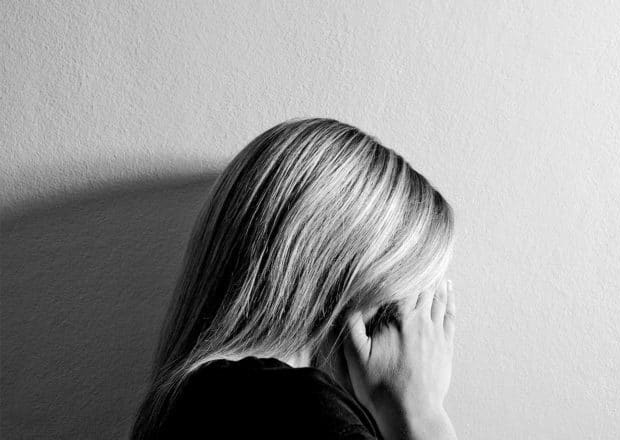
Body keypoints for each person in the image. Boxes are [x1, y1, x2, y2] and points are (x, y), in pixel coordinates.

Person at [130, 117, 458, 440]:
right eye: (407, 299)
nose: (415, 330)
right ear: (349, 285)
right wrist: (423, 415)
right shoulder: (302, 408)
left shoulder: (185, 401)